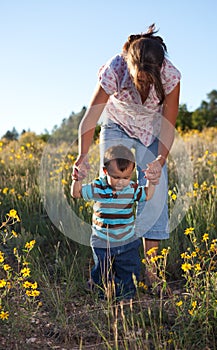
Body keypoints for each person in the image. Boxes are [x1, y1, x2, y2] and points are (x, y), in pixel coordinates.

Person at [72, 23, 181, 287]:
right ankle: (104, 270)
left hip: (151, 131)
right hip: (117, 124)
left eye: (148, 80)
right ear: (129, 67)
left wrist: (159, 161)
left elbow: (169, 124)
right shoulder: (115, 68)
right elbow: (91, 118)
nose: (143, 84)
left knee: (155, 194)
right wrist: (82, 156)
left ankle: (152, 275)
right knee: (111, 190)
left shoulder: (171, 76)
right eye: (138, 78)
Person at [71, 144, 157, 300]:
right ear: (105, 171)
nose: (121, 182)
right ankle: (101, 293)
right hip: (102, 241)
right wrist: (78, 179)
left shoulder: (131, 188)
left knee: (129, 269)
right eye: (116, 177)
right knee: (102, 269)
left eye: (126, 177)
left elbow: (148, 194)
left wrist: (152, 181)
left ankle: (126, 297)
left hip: (127, 240)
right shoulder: (98, 187)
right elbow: (76, 193)